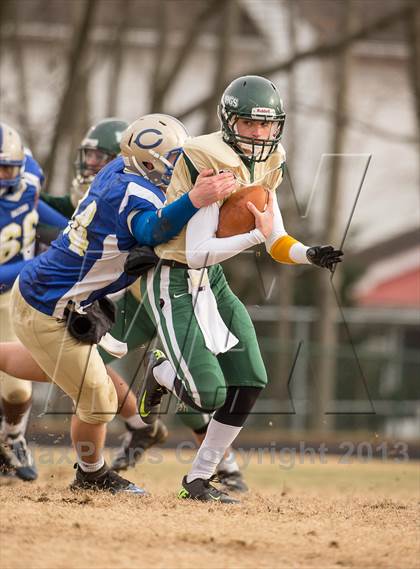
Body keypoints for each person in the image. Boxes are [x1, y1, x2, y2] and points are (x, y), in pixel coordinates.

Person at [138, 75, 343, 503]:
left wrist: (310, 254)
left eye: (267, 126)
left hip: (211, 279)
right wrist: (254, 237)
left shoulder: (271, 161)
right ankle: (160, 371)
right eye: (249, 124)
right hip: (174, 274)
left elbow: (275, 237)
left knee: (251, 378)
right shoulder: (205, 156)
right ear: (230, 122)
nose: (260, 134)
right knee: (207, 393)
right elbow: (195, 252)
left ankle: (199, 479)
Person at [7, 113, 235, 495]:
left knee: (53, 369)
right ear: (147, 162)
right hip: (49, 306)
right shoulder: (131, 190)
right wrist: (195, 199)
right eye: (173, 159)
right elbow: (151, 228)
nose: (180, 165)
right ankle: (91, 475)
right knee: (99, 401)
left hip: (44, 294)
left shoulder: (119, 168)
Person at [0, 122, 68, 481]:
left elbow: (47, 220)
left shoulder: (28, 182)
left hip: (11, 298)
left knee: (15, 386)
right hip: (12, 279)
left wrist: (72, 232)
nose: (4, 176)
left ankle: (12, 439)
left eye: (8, 167)